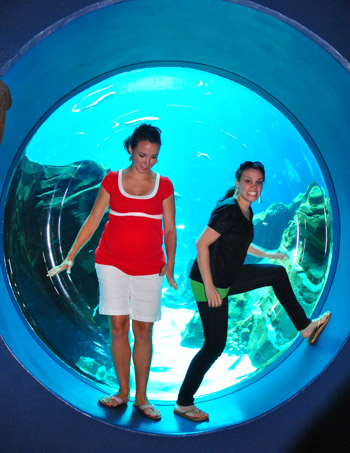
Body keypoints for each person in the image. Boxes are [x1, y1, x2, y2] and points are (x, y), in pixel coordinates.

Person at [174, 161, 331, 422]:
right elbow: (201, 245)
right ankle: (183, 402)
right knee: (215, 346)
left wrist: (269, 254)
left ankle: (305, 328)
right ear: (238, 182)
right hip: (207, 282)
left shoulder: (245, 211)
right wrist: (211, 288)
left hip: (227, 275)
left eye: (258, 182)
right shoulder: (228, 211)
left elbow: (242, 243)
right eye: (248, 181)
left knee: (276, 273)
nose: (253, 187)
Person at [47, 123, 177, 421]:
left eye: (154, 157)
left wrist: (169, 263)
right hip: (111, 264)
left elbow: (169, 229)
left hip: (149, 267)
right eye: (142, 155)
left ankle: (142, 398)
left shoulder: (165, 186)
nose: (148, 163)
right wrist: (70, 256)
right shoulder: (111, 181)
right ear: (131, 149)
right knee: (118, 328)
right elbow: (93, 220)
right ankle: (122, 392)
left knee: (143, 331)